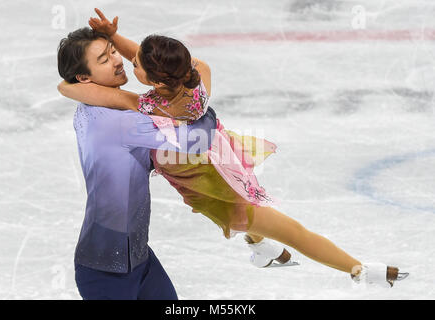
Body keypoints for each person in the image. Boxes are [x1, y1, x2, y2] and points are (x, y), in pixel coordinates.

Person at [59, 8, 409, 288]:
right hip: (224, 165)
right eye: (109, 57)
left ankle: (359, 270)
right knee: (252, 216)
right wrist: (114, 37)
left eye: (126, 58)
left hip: (208, 182)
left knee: (282, 228)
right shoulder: (197, 81)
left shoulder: (146, 108)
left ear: (154, 80)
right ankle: (260, 247)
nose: (123, 58)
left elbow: (77, 90)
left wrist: (71, 83)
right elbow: (169, 66)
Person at [57, 27, 218, 299]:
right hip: (105, 271)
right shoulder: (119, 122)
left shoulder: (95, 107)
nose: (118, 60)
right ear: (84, 77)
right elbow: (199, 139)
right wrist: (198, 104)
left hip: (138, 257)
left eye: (113, 51)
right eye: (104, 60)